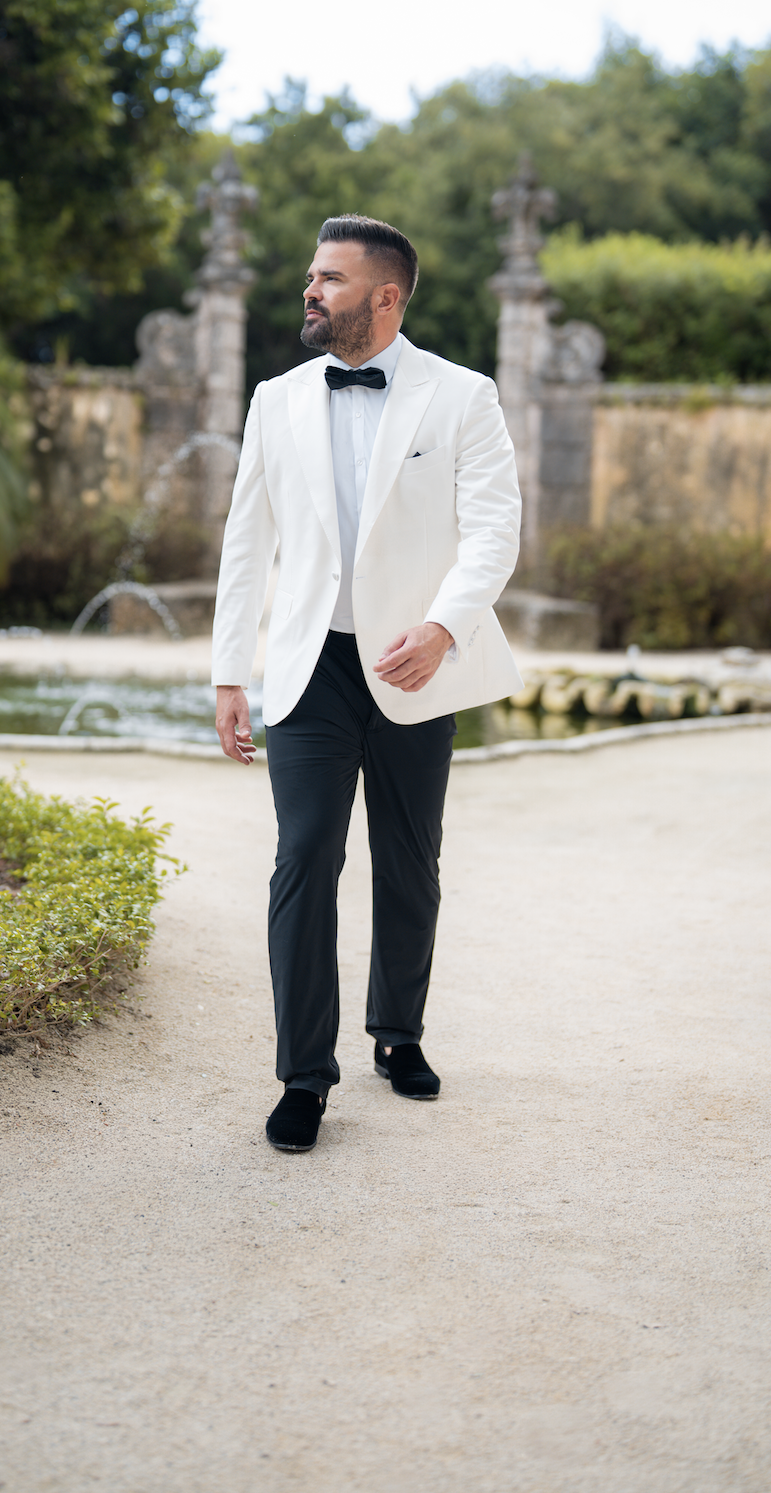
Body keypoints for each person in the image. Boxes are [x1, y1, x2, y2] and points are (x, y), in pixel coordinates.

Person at [211, 214, 523, 1152]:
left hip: (413, 664)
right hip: (309, 672)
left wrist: (442, 629)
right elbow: (246, 540)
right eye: (312, 275)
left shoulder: (463, 397)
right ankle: (304, 1076)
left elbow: (494, 533)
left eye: (331, 279)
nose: (311, 290)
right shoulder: (276, 398)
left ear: (385, 297)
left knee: (409, 856)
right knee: (304, 860)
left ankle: (399, 1032)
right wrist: (231, 671)